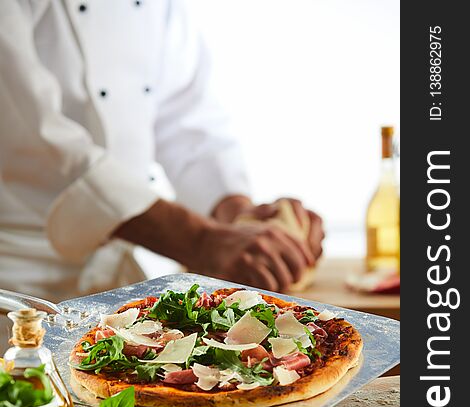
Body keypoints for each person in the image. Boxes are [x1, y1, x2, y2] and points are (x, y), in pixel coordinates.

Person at [0, 0, 324, 303]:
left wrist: (237, 213)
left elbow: (185, 118)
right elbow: (30, 138)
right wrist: (201, 241)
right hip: (18, 283)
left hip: (117, 280)